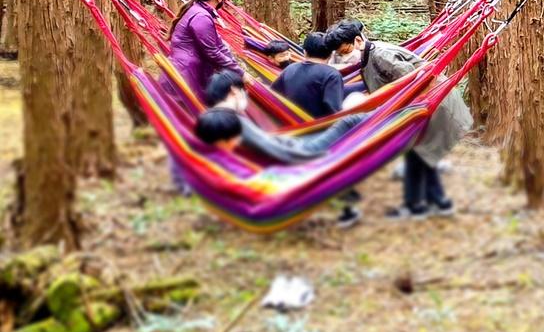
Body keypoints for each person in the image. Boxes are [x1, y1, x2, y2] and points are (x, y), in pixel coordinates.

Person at [326, 20, 472, 218]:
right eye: (340, 54)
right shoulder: (368, 57)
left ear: (358, 41)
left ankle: (418, 205)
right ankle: (436, 203)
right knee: (420, 155)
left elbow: (417, 81)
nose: (344, 57)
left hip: (434, 104)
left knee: (417, 154)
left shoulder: (381, 55)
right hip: (423, 106)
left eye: (345, 51)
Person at [200, 71, 365, 227]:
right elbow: (276, 151)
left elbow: (264, 144)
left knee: (339, 124)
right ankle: (387, 116)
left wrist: (291, 140)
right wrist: (317, 158)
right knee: (348, 122)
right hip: (295, 155)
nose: (247, 95)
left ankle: (385, 117)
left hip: (282, 151)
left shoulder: (212, 116)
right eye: (245, 90)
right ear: (234, 90)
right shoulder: (233, 120)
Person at [164, 0, 239, 102]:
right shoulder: (201, 16)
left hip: (186, 73)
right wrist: (239, 73)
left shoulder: (199, 11)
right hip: (186, 78)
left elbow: (218, 44)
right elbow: (212, 52)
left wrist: (236, 68)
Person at [271, 32, 346, 118]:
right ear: (331, 54)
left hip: (290, 123)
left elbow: (273, 94)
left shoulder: (290, 69)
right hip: (320, 128)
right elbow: (334, 111)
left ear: (304, 52)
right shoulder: (332, 75)